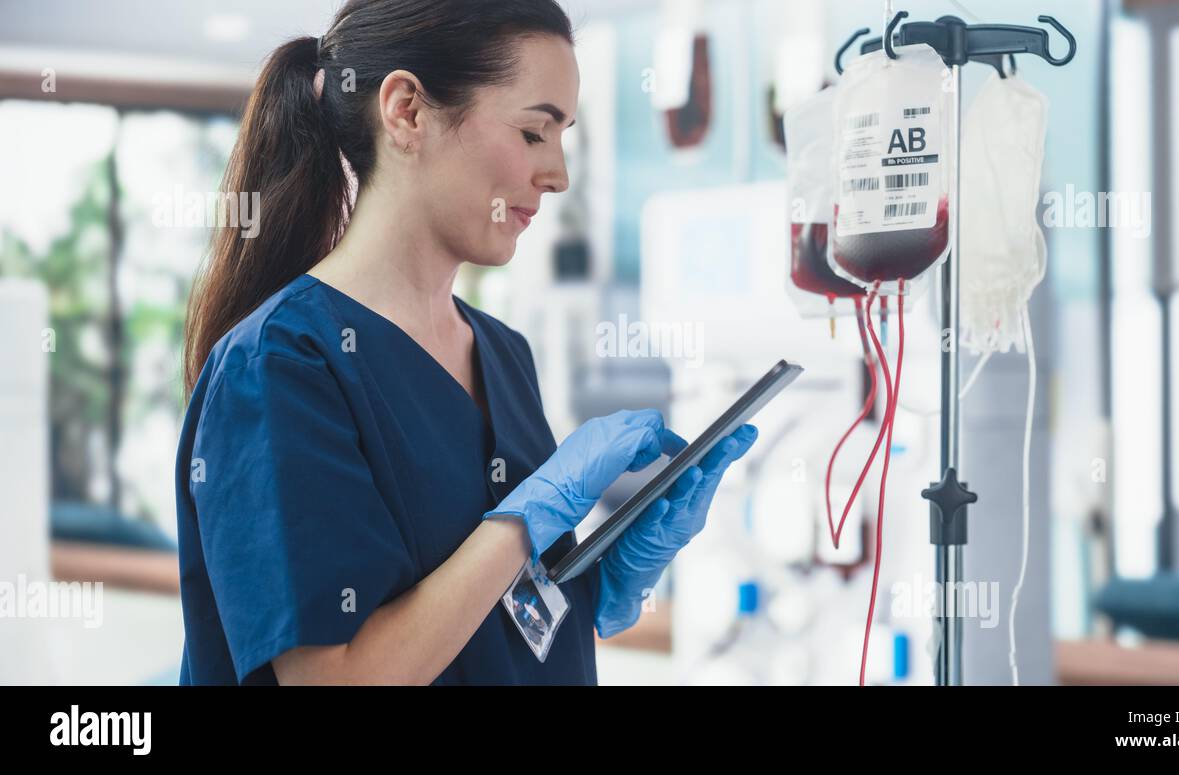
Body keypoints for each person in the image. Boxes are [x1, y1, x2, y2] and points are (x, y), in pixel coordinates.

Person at [173, 0, 756, 685]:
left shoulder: (503, 353)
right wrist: (524, 521)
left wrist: (601, 571)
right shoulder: (279, 366)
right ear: (407, 112)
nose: (558, 174)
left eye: (564, 135)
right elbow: (336, 676)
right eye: (535, 131)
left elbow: (491, 617)